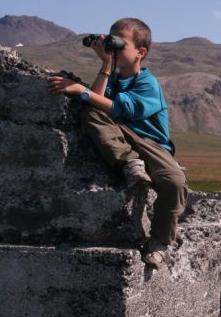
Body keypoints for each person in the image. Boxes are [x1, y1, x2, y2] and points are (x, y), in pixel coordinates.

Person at [46, 18, 187, 269]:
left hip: (152, 144)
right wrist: (105, 64)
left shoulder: (147, 82)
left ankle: (160, 242)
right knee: (90, 111)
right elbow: (97, 102)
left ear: (140, 53)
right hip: (122, 140)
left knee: (174, 182)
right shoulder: (112, 76)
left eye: (118, 46)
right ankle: (130, 164)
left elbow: (122, 108)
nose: (113, 50)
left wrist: (81, 90)